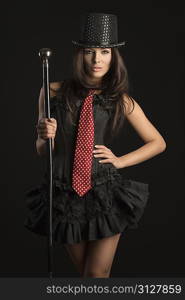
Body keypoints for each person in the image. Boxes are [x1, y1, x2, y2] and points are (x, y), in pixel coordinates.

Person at [24, 12, 166, 278]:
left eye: (104, 52)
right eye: (90, 51)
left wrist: (121, 160)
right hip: (64, 194)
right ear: (80, 54)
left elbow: (157, 142)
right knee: (86, 276)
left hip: (104, 192)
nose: (97, 59)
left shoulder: (119, 99)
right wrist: (45, 136)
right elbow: (43, 152)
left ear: (113, 57)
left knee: (96, 275)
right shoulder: (51, 90)